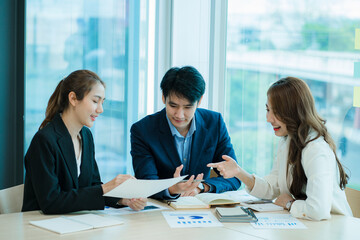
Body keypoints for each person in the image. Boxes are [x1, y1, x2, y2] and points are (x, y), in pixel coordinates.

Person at [208, 77, 352, 221]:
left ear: (294, 111)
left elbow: (318, 210)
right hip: (308, 225)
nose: (268, 118)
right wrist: (238, 172)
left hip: (333, 227)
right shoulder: (288, 141)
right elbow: (273, 187)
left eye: (275, 112)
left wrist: (290, 204)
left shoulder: (316, 149)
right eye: (268, 110)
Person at [22, 70, 147, 214]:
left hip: (73, 223)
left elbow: (92, 186)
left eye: (102, 102)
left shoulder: (86, 136)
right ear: (73, 98)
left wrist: (122, 200)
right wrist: (106, 187)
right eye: (95, 101)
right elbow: (51, 202)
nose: (100, 109)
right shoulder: (44, 140)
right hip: (40, 227)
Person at [131, 66, 241, 200]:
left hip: (201, 208)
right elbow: (146, 183)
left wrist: (201, 187)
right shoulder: (143, 130)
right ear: (163, 98)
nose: (179, 115)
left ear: (199, 101)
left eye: (188, 107)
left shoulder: (214, 123)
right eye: (173, 106)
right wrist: (173, 189)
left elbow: (234, 176)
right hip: (161, 208)